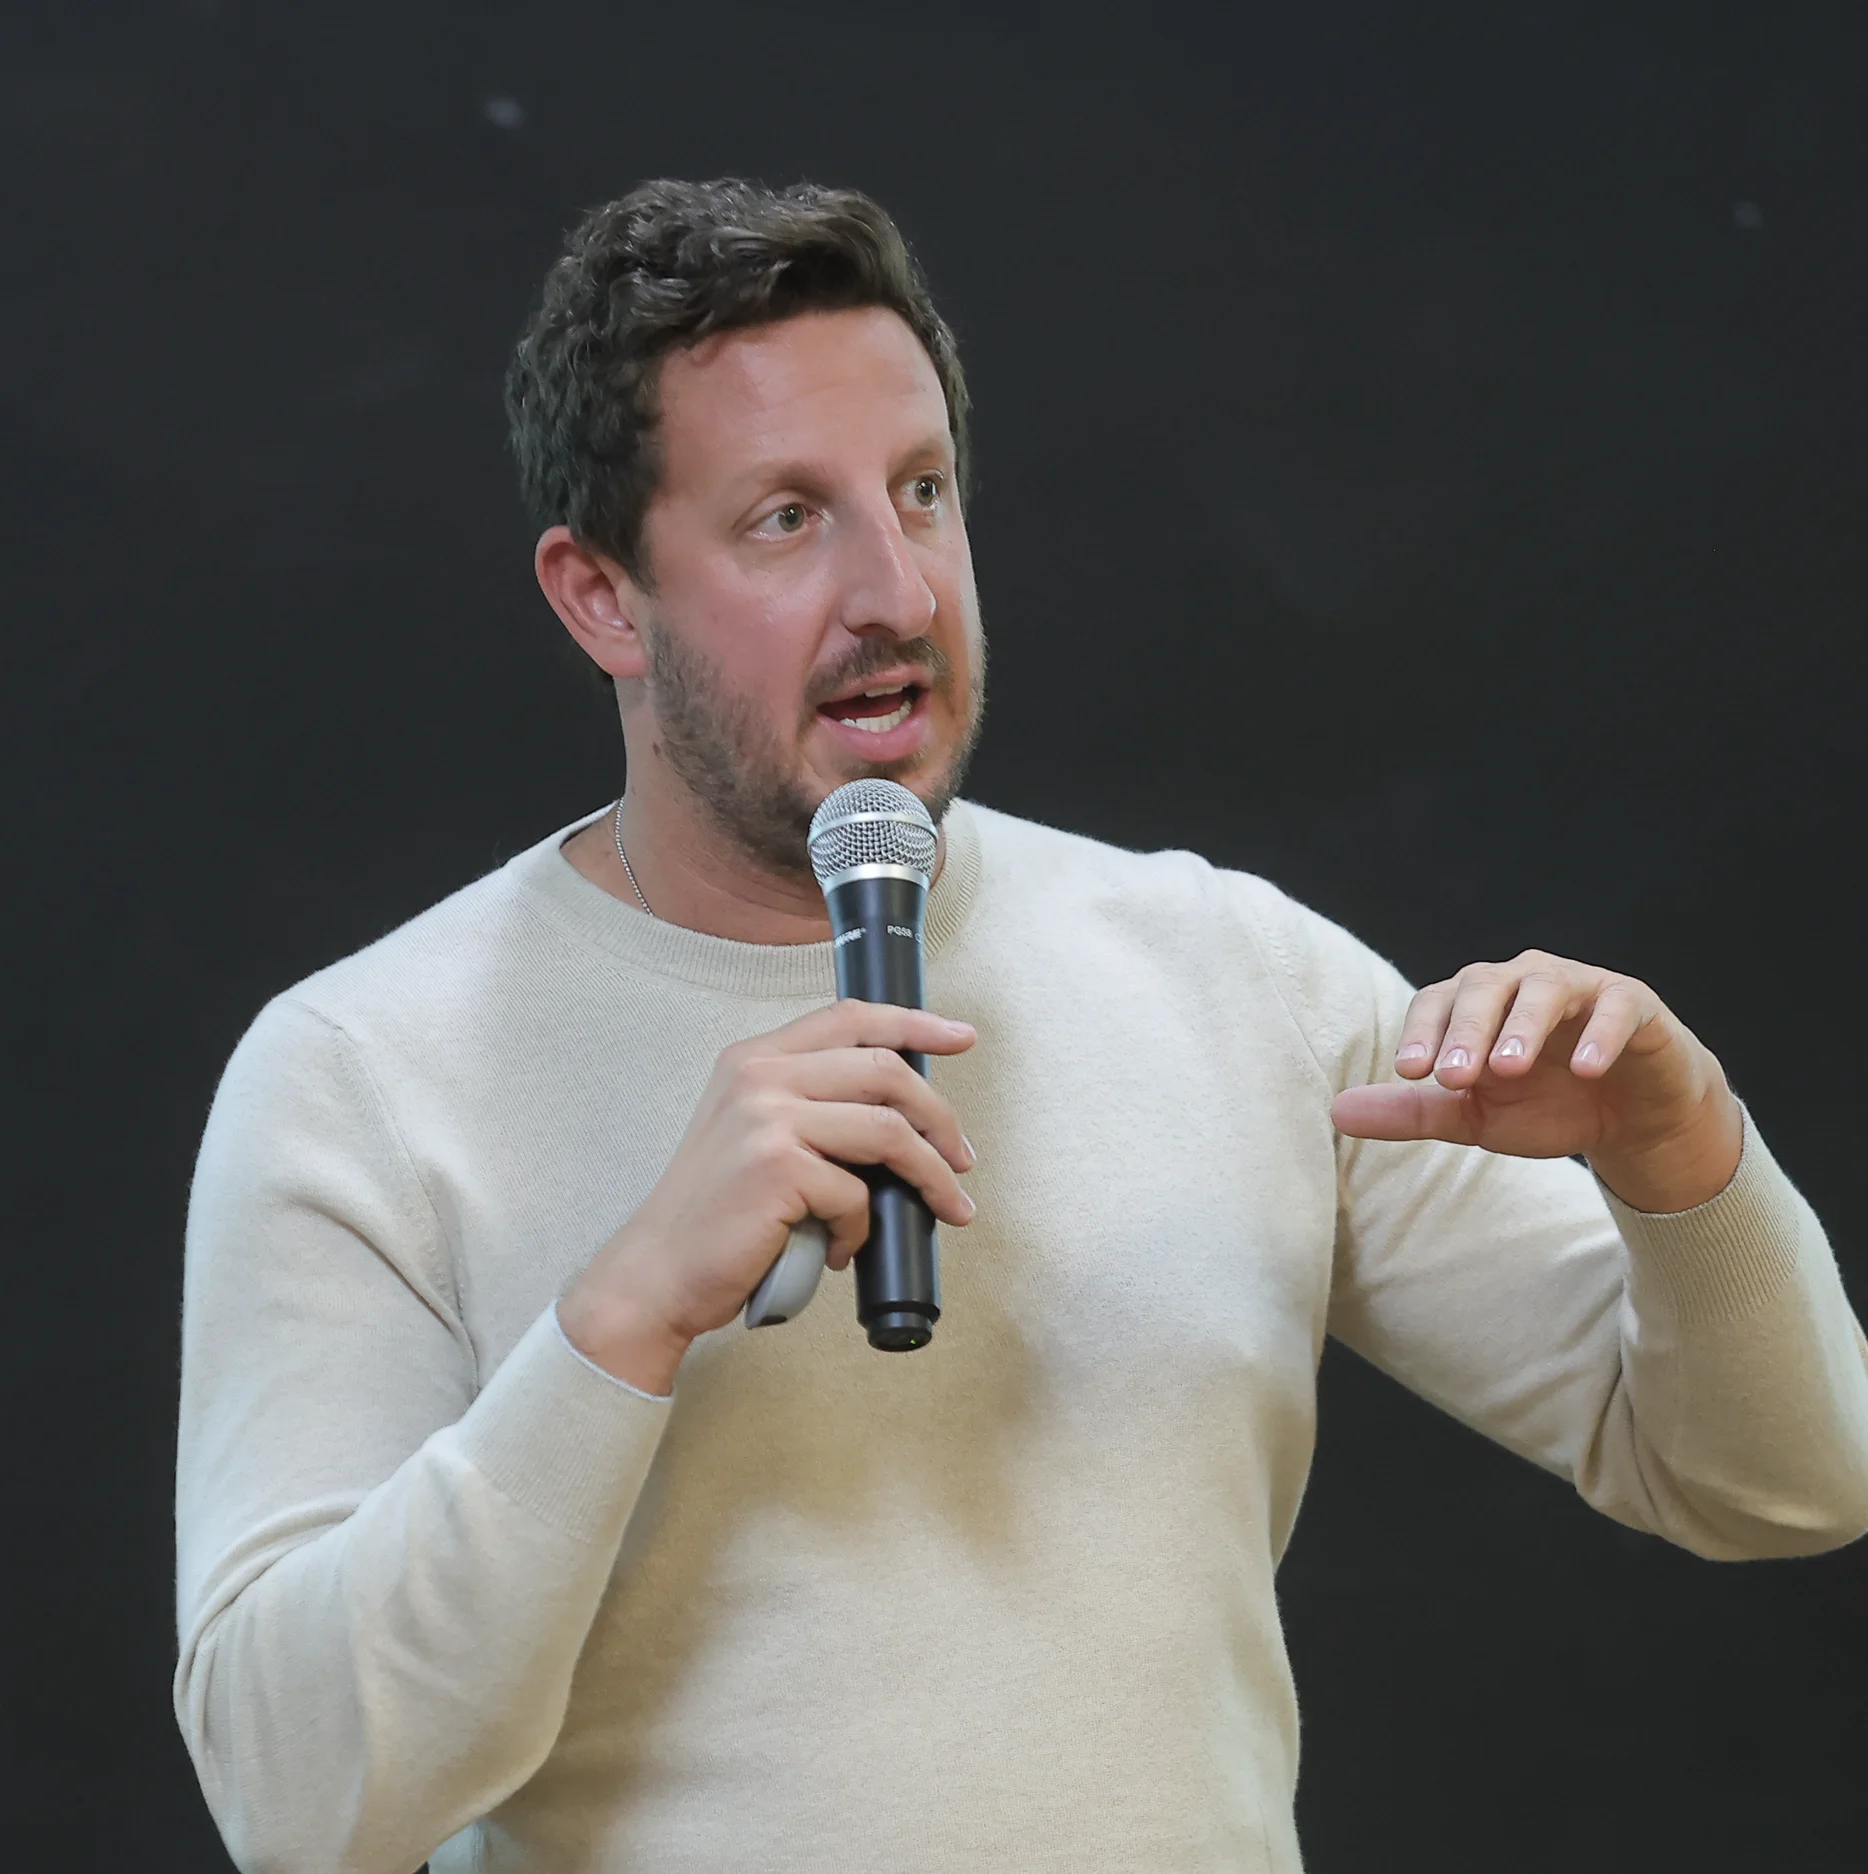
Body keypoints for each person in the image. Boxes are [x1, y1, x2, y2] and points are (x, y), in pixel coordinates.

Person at [174, 178, 1868, 1874]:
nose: (894, 591)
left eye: (922, 492)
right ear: (603, 594)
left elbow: (1786, 1479)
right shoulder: (360, 1076)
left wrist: (1683, 1157)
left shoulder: (1226, 971)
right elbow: (299, 1802)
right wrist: (616, 1320)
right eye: (787, 519)